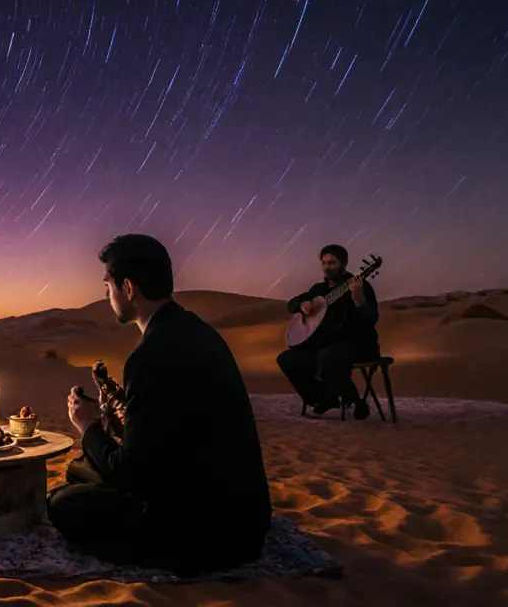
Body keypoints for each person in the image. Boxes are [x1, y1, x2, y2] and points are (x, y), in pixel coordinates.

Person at [46, 234, 272, 576]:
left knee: (61, 504)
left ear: (128, 288)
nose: (107, 296)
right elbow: (173, 435)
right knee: (80, 469)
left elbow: (133, 474)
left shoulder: (149, 357)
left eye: (108, 286)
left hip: (205, 532)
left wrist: (87, 424)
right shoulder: (198, 331)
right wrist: (120, 421)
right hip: (245, 516)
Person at [277, 244, 380, 419]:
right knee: (287, 359)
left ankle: (351, 400)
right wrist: (302, 305)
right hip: (322, 344)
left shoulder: (359, 286)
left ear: (344, 263)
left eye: (332, 263)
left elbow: (370, 319)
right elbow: (292, 303)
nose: (327, 267)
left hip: (354, 343)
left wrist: (360, 302)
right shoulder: (318, 290)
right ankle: (322, 399)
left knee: (328, 356)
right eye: (324, 263)